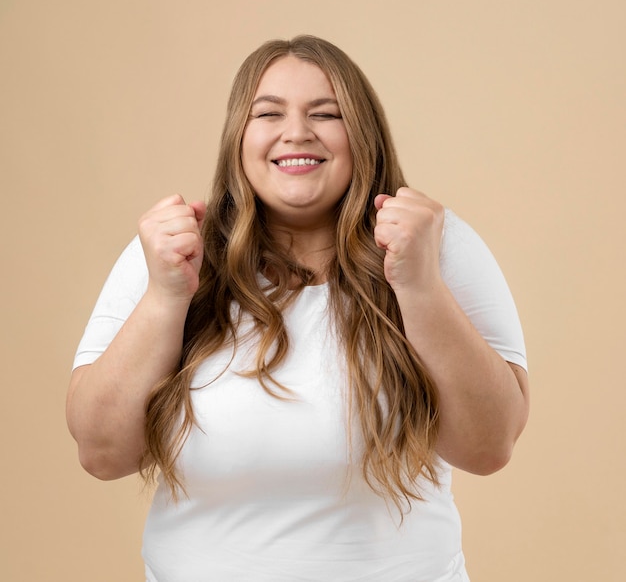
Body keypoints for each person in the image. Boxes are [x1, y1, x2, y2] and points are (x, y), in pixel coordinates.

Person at [66, 35, 529, 581]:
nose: (296, 132)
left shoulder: (435, 243)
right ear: (239, 137)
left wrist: (420, 285)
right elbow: (102, 454)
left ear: (362, 134)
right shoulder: (172, 251)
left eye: (325, 114)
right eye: (269, 113)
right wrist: (166, 296)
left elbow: (487, 446)